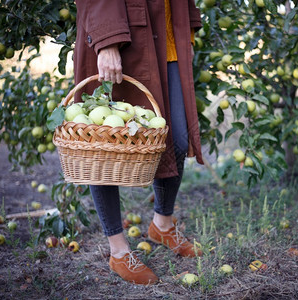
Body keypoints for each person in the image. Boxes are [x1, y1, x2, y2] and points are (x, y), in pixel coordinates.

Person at [73, 0, 204, 285]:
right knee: (103, 146)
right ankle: (119, 251)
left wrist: (186, 29)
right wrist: (106, 40)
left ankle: (162, 224)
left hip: (166, 36)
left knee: (177, 139)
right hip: (123, 36)